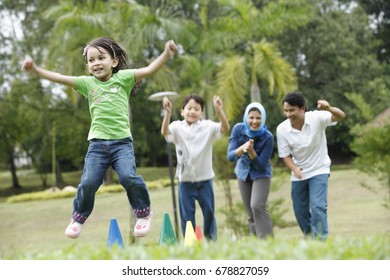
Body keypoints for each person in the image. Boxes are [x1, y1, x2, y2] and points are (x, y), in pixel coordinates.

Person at [22, 36, 178, 239]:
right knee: (88, 182)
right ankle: (78, 217)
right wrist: (35, 70)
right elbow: (58, 77)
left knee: (128, 177)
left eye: (101, 58)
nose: (96, 63)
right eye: (91, 60)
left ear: (113, 62)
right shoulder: (87, 84)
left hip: (122, 143)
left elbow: (149, 70)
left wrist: (166, 53)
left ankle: (143, 213)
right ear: (87, 65)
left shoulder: (123, 79)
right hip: (97, 145)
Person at [276, 92, 345, 240]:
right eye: (286, 110)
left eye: (291, 110)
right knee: (300, 212)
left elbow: (341, 116)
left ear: (302, 109)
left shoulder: (316, 118)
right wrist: (294, 169)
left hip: (319, 169)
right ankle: (310, 239)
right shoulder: (282, 129)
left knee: (318, 206)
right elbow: (285, 155)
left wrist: (329, 108)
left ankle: (320, 243)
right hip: (298, 173)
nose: (288, 114)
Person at [161, 94, 230, 240]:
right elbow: (165, 132)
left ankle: (211, 241)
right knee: (187, 217)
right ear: (182, 111)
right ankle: (190, 244)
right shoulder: (177, 127)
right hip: (185, 181)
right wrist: (167, 113)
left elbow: (225, 128)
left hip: (205, 179)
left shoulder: (208, 126)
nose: (192, 112)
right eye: (189, 108)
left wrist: (219, 112)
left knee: (209, 213)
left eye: (197, 109)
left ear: (201, 113)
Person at [227, 102, 274, 239]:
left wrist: (252, 152)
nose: (254, 121)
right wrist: (242, 149)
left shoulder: (268, 137)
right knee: (250, 212)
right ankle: (256, 245)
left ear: (263, 118)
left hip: (261, 175)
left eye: (258, 118)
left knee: (257, 206)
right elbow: (230, 157)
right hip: (243, 174)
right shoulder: (238, 129)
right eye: (251, 117)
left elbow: (260, 165)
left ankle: (267, 242)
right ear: (246, 118)